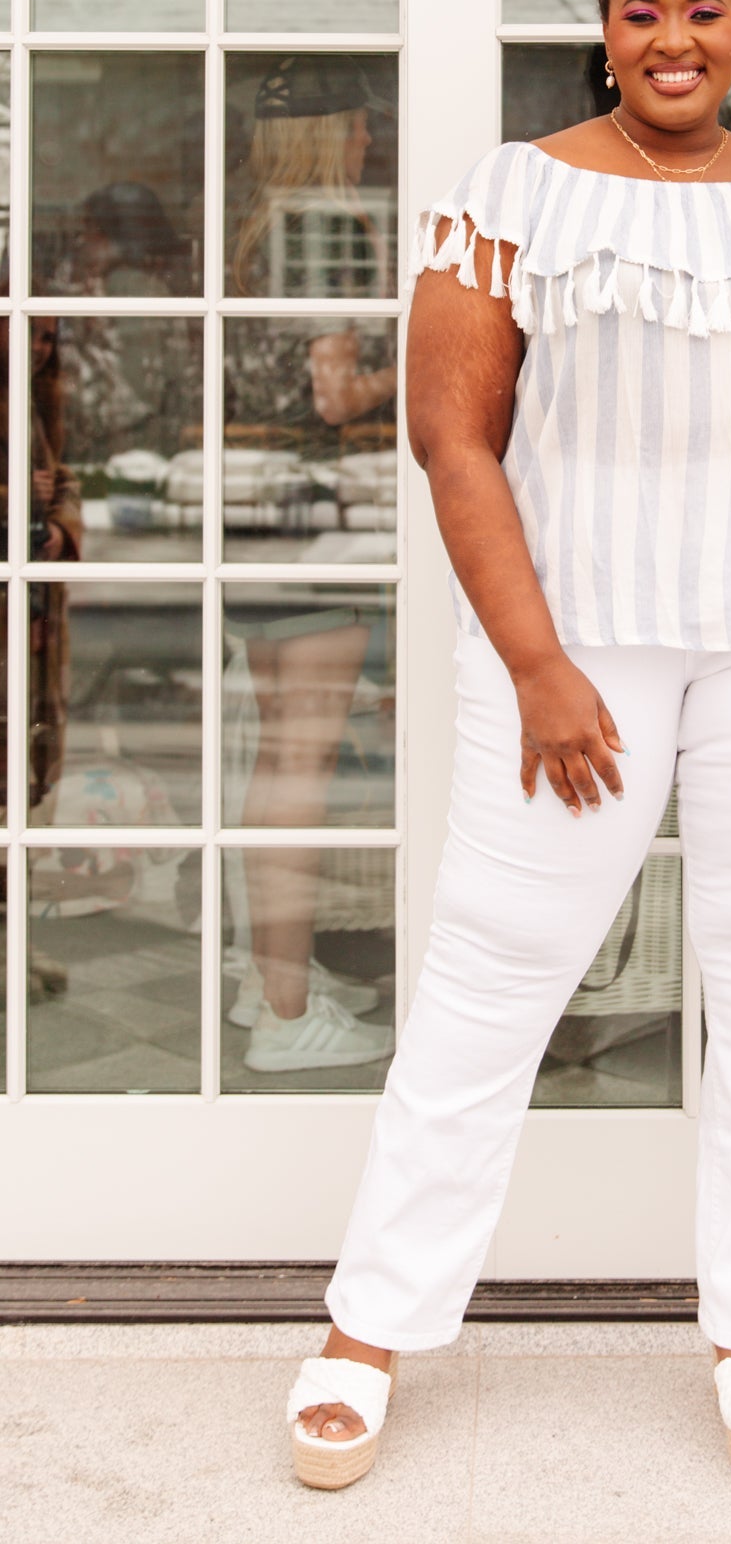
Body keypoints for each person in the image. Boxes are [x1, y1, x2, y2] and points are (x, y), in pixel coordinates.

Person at [285, 0, 731, 1489]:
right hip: (581, 649)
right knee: (490, 973)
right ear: (606, 32)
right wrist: (537, 664)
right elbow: (453, 441)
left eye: (705, 10)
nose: (676, 39)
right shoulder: (513, 197)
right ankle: (366, 1329)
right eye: (645, 11)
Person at [225, 55, 398, 1074]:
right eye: (360, 124)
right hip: (314, 523)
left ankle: (269, 980)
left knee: (275, 752)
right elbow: (334, 396)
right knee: (304, 761)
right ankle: (287, 1019)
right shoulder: (328, 226)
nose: (371, 138)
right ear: (331, 134)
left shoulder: (254, 227)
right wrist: (413, 356)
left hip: (253, 517)